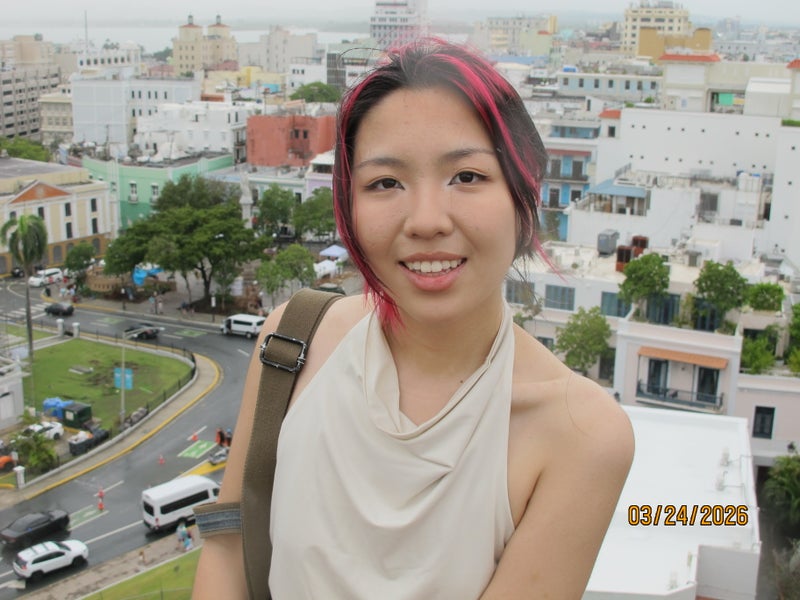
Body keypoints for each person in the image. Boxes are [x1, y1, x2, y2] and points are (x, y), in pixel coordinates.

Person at [193, 39, 633, 599]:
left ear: (524, 198)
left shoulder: (580, 434)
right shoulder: (293, 339)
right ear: (349, 207)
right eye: (385, 183)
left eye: (466, 176)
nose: (426, 221)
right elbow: (228, 549)